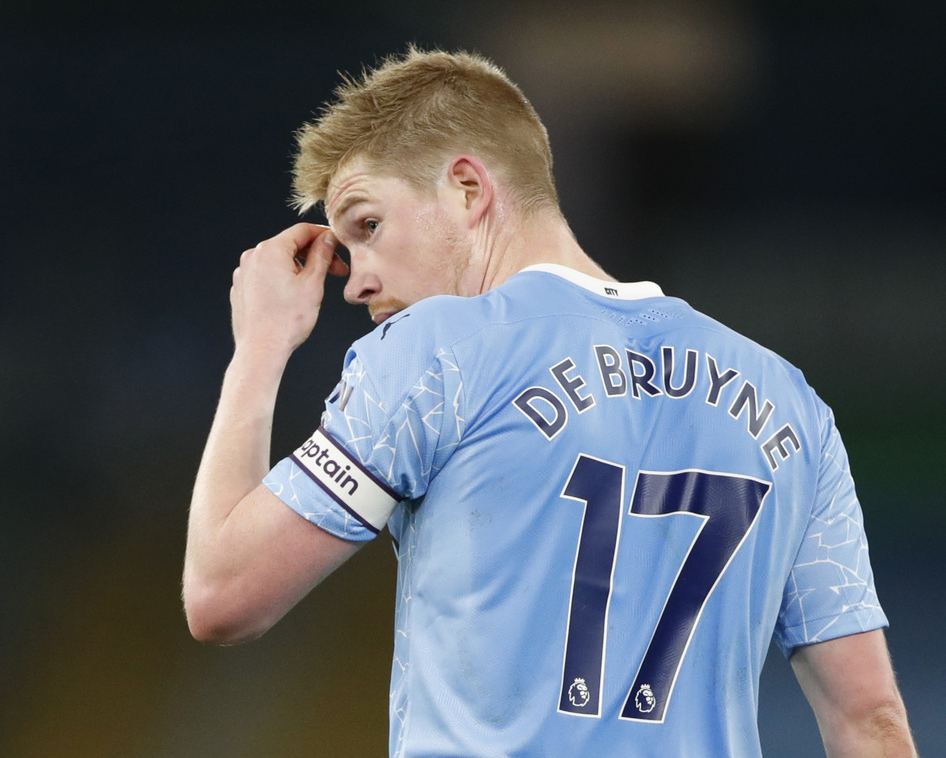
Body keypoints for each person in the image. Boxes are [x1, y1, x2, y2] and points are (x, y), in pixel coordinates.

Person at [182, 48, 918, 757]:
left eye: (368, 226)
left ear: (467, 189)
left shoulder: (435, 352)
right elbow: (871, 720)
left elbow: (222, 596)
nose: (357, 282)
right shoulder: (793, 405)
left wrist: (260, 346)